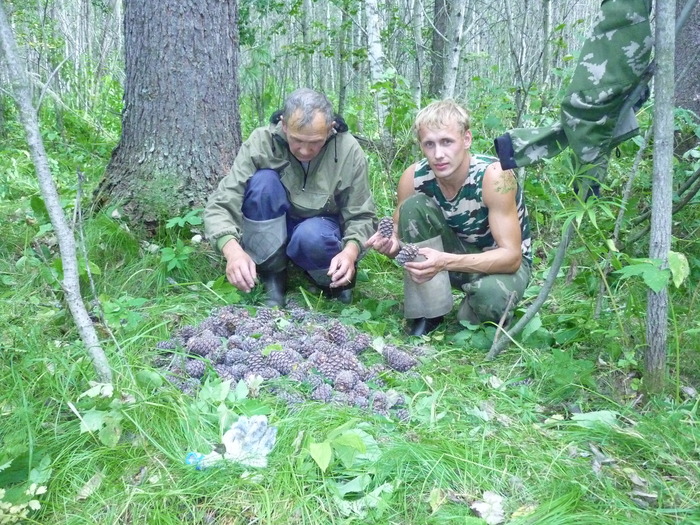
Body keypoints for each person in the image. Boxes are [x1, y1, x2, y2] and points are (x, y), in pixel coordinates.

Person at [365, 99, 532, 336]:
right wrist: (391, 246)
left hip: (501, 263)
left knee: (489, 300)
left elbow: (512, 257)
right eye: (429, 144)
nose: (438, 154)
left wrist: (444, 261)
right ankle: (429, 310)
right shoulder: (413, 177)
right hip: (448, 255)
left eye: (447, 142)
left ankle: (475, 304)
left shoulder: (495, 176)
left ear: (466, 140)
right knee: (412, 207)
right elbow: (403, 244)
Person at [204, 88, 377, 308]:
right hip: (275, 222)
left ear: (330, 129)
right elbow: (222, 201)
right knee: (262, 183)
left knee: (311, 235)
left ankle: (331, 282)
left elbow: (361, 214)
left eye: (315, 142)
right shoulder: (261, 141)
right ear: (284, 125)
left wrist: (351, 251)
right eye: (297, 140)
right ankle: (271, 279)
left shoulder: (347, 149)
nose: (305, 150)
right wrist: (232, 251)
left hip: (321, 229)